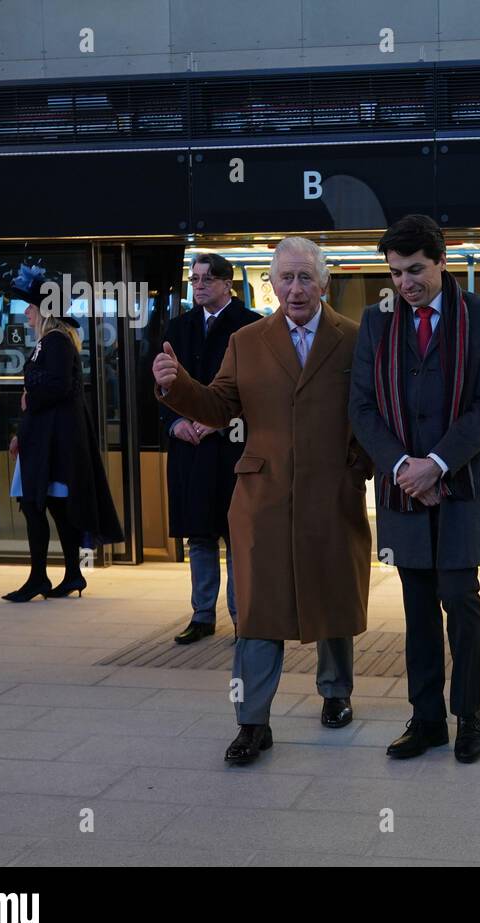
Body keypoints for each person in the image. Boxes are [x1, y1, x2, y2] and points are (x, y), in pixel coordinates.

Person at [153, 236, 371, 765]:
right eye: (286, 278)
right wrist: (176, 386)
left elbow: (371, 410)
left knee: (333, 593)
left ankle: (335, 693)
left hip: (331, 491)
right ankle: (252, 722)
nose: (295, 289)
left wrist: (358, 467)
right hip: (261, 494)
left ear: (325, 282)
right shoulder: (247, 341)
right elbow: (219, 404)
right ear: (270, 284)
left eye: (305, 278)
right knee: (256, 609)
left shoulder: (356, 338)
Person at [349, 214, 480, 764]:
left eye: (415, 270)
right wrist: (403, 468)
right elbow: (362, 408)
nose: (404, 283)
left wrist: (436, 464)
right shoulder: (377, 321)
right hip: (402, 490)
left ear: (442, 259)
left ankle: (470, 717)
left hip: (461, 484)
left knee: (459, 602)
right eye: (395, 273)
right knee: (416, 608)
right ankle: (426, 721)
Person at [2, 264, 124, 601]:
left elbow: (56, 386)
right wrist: (22, 430)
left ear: (42, 309)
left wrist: (30, 389)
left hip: (51, 443)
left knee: (36, 504)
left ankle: (42, 577)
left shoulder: (54, 342)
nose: (25, 313)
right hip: (46, 439)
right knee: (52, 506)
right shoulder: (54, 340)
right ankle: (69, 575)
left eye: (28, 306)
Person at [161, 253, 259, 644]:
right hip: (190, 448)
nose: (198, 286)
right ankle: (202, 615)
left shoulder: (252, 326)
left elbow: (259, 390)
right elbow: (158, 382)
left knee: (236, 533)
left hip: (233, 448)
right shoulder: (179, 327)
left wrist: (219, 420)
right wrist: (177, 421)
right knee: (199, 534)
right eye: (194, 279)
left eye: (206, 279)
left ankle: (242, 616)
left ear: (226, 284)